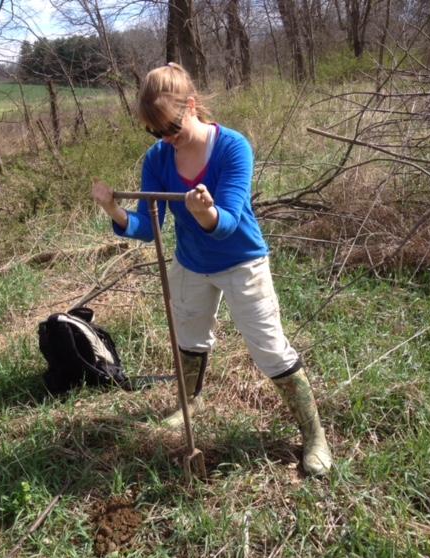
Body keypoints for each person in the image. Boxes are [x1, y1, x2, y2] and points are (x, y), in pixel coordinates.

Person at [91, 62, 332, 476]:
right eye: (155, 131)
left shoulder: (233, 148)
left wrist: (206, 214)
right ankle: (189, 401)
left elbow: (230, 223)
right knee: (189, 339)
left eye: (171, 126)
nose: (166, 138)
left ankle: (314, 435)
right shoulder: (158, 158)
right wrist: (114, 209)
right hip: (191, 265)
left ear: (192, 105)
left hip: (242, 262)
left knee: (270, 350)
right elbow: (150, 229)